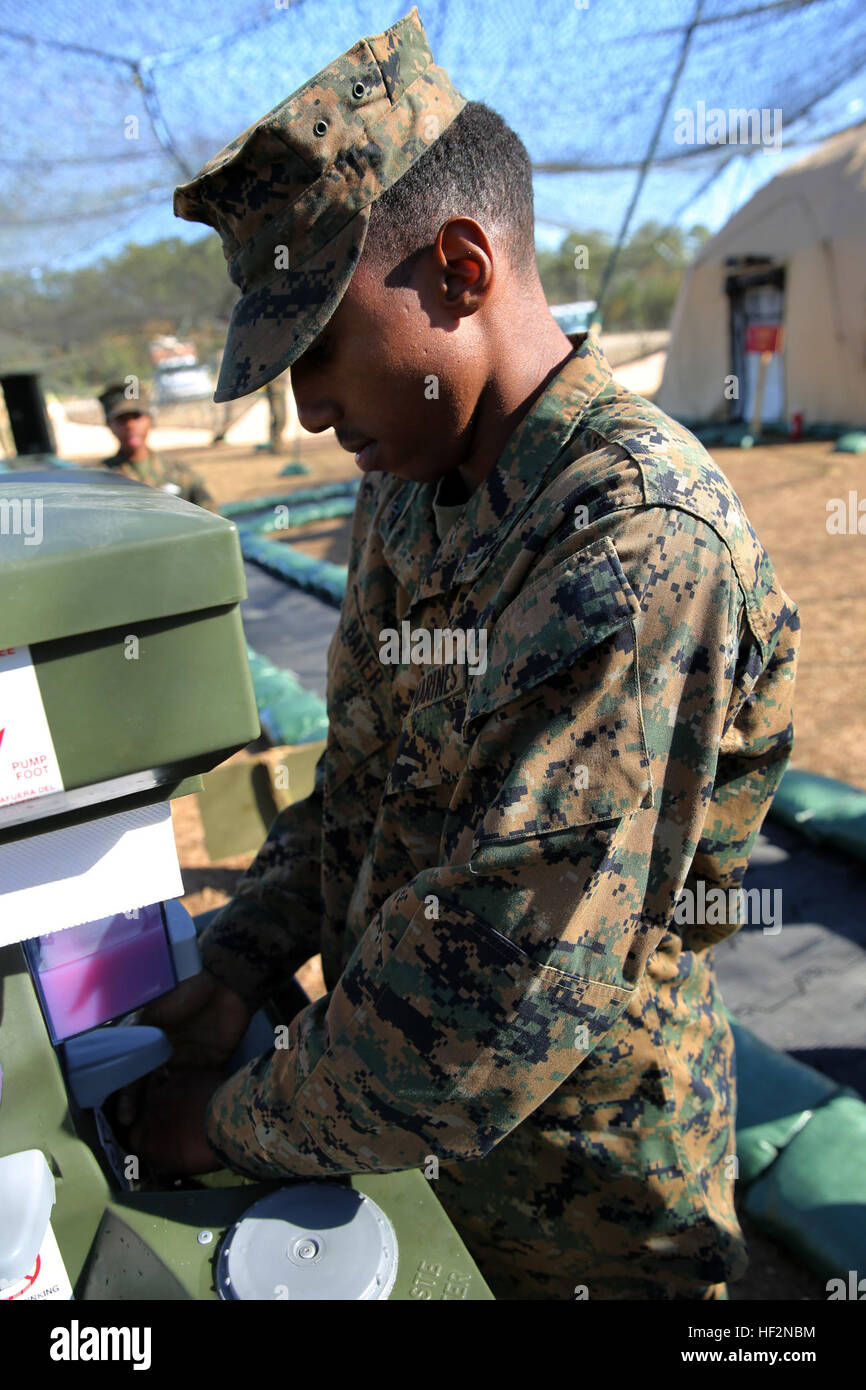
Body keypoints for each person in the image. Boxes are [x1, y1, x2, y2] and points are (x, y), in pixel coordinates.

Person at [129, 8, 800, 1300]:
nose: (308, 407)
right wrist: (239, 961)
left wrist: (221, 1123)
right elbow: (367, 781)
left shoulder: (631, 549)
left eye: (318, 347)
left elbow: (491, 996)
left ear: (458, 267)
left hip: (590, 1203)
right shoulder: (413, 487)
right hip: (391, 1138)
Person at [98, 383, 215, 509]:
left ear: (150, 420)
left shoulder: (178, 473)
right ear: (109, 425)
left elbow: (212, 519)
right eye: (122, 420)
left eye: (136, 417)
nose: (130, 426)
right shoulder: (100, 479)